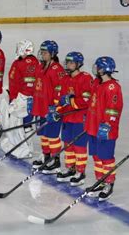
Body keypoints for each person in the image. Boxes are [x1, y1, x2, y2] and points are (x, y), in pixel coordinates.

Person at [84, 56, 123, 202]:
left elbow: (114, 109)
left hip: (105, 130)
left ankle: (109, 183)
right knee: (96, 157)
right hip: (93, 127)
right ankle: (100, 181)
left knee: (106, 158)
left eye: (98, 67)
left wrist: (107, 125)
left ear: (105, 70)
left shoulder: (113, 87)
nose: (96, 69)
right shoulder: (97, 83)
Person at [51, 52, 93, 186]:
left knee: (79, 146)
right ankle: (70, 168)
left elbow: (86, 101)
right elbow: (61, 100)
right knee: (68, 145)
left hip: (80, 119)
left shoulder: (86, 78)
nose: (68, 65)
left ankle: (80, 172)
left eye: (71, 63)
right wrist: (57, 111)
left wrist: (71, 100)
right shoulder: (65, 79)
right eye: (67, 62)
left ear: (78, 64)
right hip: (67, 118)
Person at [32, 40, 66, 174]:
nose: (42, 55)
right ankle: (46, 157)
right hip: (40, 107)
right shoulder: (41, 66)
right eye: (42, 52)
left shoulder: (57, 69)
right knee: (43, 135)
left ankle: (55, 161)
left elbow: (60, 89)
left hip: (51, 109)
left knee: (52, 136)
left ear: (52, 54)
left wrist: (56, 107)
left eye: (45, 52)